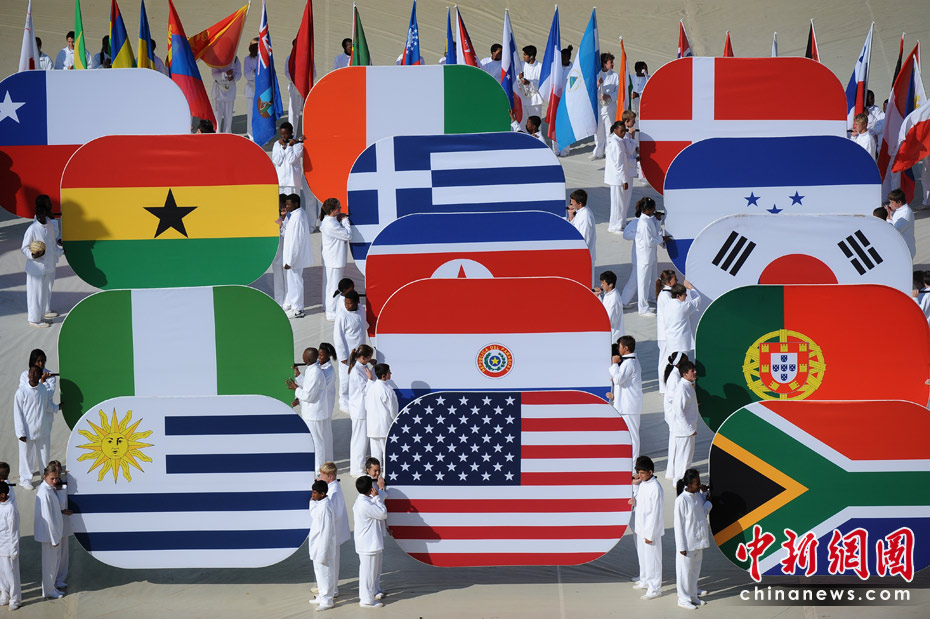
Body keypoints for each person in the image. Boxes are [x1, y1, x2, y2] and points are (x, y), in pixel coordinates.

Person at [286, 348, 331, 474]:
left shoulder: (315, 372)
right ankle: (316, 466)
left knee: (317, 441)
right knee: (314, 440)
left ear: (308, 359)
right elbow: (308, 385)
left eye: (304, 355)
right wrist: (298, 375)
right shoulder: (311, 369)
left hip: (314, 414)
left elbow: (309, 395)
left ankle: (319, 469)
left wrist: (295, 388)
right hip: (311, 413)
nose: (302, 356)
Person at [14, 366, 57, 490]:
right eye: (31, 372)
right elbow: (17, 413)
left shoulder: (43, 389)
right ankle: (25, 479)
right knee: (26, 456)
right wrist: (20, 432)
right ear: (28, 375)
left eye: (36, 373)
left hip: (42, 430)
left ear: (40, 376)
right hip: (26, 432)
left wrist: (57, 407)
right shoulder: (21, 392)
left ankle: (46, 477)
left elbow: (46, 405)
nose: (32, 374)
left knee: (44, 456)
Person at [22, 196, 62, 328]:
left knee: (43, 294)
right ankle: (34, 320)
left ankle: (41, 316)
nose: (41, 216)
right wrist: (33, 255)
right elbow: (24, 248)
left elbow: (52, 245)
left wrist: (62, 251)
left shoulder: (49, 224)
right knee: (35, 295)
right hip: (36, 268)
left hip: (47, 266)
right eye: (39, 214)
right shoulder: (32, 229)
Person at [674, 469, 711, 610]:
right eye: (697, 483)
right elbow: (678, 525)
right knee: (684, 572)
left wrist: (706, 496)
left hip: (698, 541)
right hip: (687, 544)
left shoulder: (698, 496)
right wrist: (681, 547)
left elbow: (703, 512)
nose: (699, 485)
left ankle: (693, 595)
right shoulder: (681, 500)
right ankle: (683, 599)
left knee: (695, 571)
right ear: (689, 484)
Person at [631, 456, 663, 600]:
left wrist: (650, 535)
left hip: (651, 532)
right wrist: (634, 499)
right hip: (641, 528)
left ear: (651, 472)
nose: (640, 476)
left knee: (653, 561)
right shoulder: (643, 483)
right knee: (643, 557)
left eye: (642, 473)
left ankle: (655, 588)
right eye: (639, 473)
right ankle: (644, 579)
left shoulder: (656, 488)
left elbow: (656, 514)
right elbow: (639, 498)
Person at [35, 465, 69, 600]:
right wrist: (54, 539)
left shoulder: (49, 489)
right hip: (50, 536)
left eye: (57, 478)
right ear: (45, 477)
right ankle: (49, 590)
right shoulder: (44, 493)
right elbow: (48, 518)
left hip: (53, 535)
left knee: (54, 563)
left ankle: (51, 588)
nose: (55, 481)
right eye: (52, 479)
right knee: (50, 565)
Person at [608, 336, 642, 469]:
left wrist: (614, 364)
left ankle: (633, 466)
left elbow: (618, 379)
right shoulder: (630, 362)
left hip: (629, 407)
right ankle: (628, 462)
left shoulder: (629, 363)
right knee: (626, 435)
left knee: (633, 437)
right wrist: (615, 396)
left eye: (620, 346)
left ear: (626, 348)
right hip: (625, 405)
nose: (618, 349)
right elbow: (624, 384)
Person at [354, 475, 387, 609]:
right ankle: (366, 601)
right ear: (370, 489)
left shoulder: (364, 500)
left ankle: (370, 594)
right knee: (367, 573)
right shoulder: (365, 504)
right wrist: (377, 497)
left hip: (369, 543)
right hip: (368, 544)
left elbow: (377, 502)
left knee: (371, 572)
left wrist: (380, 491)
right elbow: (382, 513)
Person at [319, 462, 351, 597]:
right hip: (333, 532)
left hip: (333, 533)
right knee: (332, 562)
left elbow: (335, 513)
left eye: (322, 475)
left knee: (331, 563)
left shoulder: (334, 492)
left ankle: (331, 590)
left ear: (330, 476)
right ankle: (332, 588)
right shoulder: (332, 488)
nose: (320, 477)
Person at [334, 291, 368, 412]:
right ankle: (343, 401)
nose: (347, 306)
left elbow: (363, 325)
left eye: (350, 303)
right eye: (346, 303)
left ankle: (357, 398)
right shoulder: (342, 316)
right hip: (348, 354)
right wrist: (342, 355)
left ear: (357, 302)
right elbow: (338, 337)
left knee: (359, 375)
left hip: (360, 353)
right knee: (345, 378)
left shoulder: (361, 309)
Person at [282, 193, 313, 318]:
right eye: (286, 204)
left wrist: (290, 260)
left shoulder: (298, 217)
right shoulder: (295, 215)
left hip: (294, 259)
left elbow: (296, 241)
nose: (286, 206)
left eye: (289, 204)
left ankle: (298, 309)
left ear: (296, 204)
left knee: (296, 282)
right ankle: (294, 306)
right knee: (293, 282)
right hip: (293, 258)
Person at [320, 198, 352, 321]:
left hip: (332, 259)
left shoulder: (329, 221)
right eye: (339, 207)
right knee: (334, 286)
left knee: (330, 285)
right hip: (334, 259)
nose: (341, 209)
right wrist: (345, 220)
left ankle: (328, 307)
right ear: (332, 210)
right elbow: (347, 235)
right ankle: (331, 312)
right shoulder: (331, 224)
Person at [308, 479, 336, 610]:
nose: (312, 495)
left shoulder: (325, 507)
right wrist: (312, 503)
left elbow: (326, 532)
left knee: (325, 574)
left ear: (323, 494)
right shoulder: (320, 504)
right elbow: (315, 515)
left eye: (314, 493)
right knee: (319, 572)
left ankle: (327, 600)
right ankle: (321, 596)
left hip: (323, 547)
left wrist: (323, 552)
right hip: (317, 546)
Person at [348, 345, 375, 477]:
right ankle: (357, 469)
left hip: (362, 409)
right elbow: (365, 390)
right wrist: (370, 379)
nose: (370, 359)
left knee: (361, 440)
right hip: (359, 410)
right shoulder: (356, 371)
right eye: (369, 357)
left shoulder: (361, 367)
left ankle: (358, 467)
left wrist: (372, 368)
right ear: (364, 357)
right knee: (360, 441)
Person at [669, 361, 699, 482]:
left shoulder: (688, 385)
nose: (695, 372)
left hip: (687, 430)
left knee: (687, 459)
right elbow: (678, 411)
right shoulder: (681, 389)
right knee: (683, 459)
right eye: (692, 371)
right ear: (685, 374)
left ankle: (683, 483)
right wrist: (689, 429)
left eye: (694, 370)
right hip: (683, 431)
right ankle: (679, 482)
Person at [634, 197, 663, 316]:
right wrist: (661, 238)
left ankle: (652, 298)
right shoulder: (644, 223)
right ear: (647, 209)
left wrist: (658, 221)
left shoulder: (649, 219)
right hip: (644, 257)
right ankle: (642, 308)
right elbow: (650, 242)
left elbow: (655, 231)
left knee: (652, 279)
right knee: (643, 283)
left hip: (651, 256)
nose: (654, 211)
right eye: (653, 209)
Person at [663, 352, 689, 480]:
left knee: (675, 444)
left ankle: (672, 472)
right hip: (674, 415)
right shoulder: (674, 377)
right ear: (679, 363)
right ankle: (673, 473)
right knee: (675, 445)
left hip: (675, 414)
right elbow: (671, 397)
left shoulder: (676, 374)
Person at [365, 364, 398, 464]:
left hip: (372, 427)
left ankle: (376, 473)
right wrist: (395, 422)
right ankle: (386, 472)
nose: (390, 373)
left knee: (375, 455)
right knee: (387, 453)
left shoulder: (370, 388)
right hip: (385, 426)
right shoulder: (388, 391)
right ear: (384, 375)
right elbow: (393, 410)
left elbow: (366, 406)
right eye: (389, 372)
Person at [46, 461, 70, 592]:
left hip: (64, 524)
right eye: (56, 473)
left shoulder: (63, 483)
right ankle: (52, 581)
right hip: (54, 526)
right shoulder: (49, 487)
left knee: (64, 554)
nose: (58, 477)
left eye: (60, 472)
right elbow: (58, 506)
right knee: (54, 556)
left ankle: (60, 579)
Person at [605, 121, 632, 233]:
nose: (624, 133)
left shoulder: (618, 140)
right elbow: (618, 164)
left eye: (625, 131)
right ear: (615, 130)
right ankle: (615, 226)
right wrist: (624, 180)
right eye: (621, 131)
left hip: (618, 177)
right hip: (617, 178)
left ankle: (621, 223)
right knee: (618, 203)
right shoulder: (615, 143)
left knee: (621, 202)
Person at [592, 53, 619, 159]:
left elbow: (618, 91)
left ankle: (609, 152)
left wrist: (609, 96)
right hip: (599, 107)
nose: (612, 64)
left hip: (610, 107)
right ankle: (598, 152)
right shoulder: (597, 75)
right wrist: (598, 84)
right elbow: (590, 91)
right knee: (598, 131)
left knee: (609, 130)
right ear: (604, 63)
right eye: (610, 62)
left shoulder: (615, 76)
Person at [664, 282, 701, 359]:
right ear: (678, 296)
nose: (686, 296)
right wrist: (691, 288)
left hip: (670, 341)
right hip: (680, 343)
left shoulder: (667, 305)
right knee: (680, 364)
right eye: (684, 294)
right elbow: (698, 300)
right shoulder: (683, 306)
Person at [567, 189, 596, 286]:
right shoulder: (580, 212)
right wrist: (571, 215)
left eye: (573, 202)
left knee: (586, 283)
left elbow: (585, 239)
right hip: (578, 254)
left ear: (580, 203)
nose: (571, 203)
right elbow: (574, 227)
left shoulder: (586, 216)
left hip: (584, 256)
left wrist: (578, 255)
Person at [655, 270, 677, 393]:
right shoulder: (666, 296)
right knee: (664, 361)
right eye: (675, 279)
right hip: (665, 334)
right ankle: (663, 387)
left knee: (665, 360)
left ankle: (664, 386)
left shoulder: (666, 294)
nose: (677, 281)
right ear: (668, 282)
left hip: (666, 333)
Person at [0, 481, 20, 611]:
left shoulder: (10, 509)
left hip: (8, 547)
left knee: (11, 575)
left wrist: (13, 549)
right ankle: (5, 595)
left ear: (2, 495)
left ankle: (15, 599)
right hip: (0, 545)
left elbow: (14, 531)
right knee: (1, 574)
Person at [211, 57, 241, 134]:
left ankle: (227, 133)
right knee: (217, 116)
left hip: (230, 89)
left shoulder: (235, 59)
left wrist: (234, 77)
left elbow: (239, 74)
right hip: (218, 91)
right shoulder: (217, 59)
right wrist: (225, 74)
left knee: (228, 115)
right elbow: (214, 75)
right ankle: (217, 133)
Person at [272, 123, 304, 195]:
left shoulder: (298, 144)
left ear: (291, 132)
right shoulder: (277, 144)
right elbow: (277, 161)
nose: (284, 136)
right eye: (282, 134)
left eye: (286, 134)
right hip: (281, 181)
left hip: (293, 181)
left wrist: (289, 146)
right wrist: (283, 148)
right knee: (281, 202)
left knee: (293, 201)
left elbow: (291, 160)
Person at [886, 189, 916, 259]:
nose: (890, 205)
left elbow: (895, 231)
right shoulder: (899, 210)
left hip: (906, 250)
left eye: (892, 202)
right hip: (900, 248)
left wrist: (888, 216)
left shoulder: (905, 214)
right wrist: (890, 213)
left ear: (899, 202)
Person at [518, 46, 543, 121]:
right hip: (523, 98)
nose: (523, 56)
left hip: (535, 100)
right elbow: (515, 79)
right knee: (523, 121)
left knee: (535, 122)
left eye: (525, 55)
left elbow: (541, 83)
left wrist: (529, 82)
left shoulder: (540, 67)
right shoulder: (521, 65)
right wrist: (519, 77)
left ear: (531, 56)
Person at [599, 271, 624, 343]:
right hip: (609, 335)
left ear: (610, 285)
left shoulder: (614, 299)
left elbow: (608, 321)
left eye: (603, 283)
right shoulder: (609, 293)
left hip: (613, 338)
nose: (601, 285)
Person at [243, 38, 259, 139]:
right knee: (251, 114)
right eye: (254, 46)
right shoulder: (247, 59)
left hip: (262, 90)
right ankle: (251, 134)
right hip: (251, 89)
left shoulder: (265, 59)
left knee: (262, 114)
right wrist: (255, 72)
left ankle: (261, 134)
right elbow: (247, 74)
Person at [273, 196, 287, 305]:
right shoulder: (274, 216)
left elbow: (290, 234)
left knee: (288, 278)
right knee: (278, 277)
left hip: (287, 254)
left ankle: (287, 301)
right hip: (277, 253)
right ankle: (279, 301)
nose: (282, 207)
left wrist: (282, 225)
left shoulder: (291, 217)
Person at [318, 343, 339, 419]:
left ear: (328, 355)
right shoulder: (317, 364)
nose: (319, 357)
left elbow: (322, 389)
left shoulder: (329, 371)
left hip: (325, 403)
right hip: (319, 403)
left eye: (321, 355)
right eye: (318, 354)